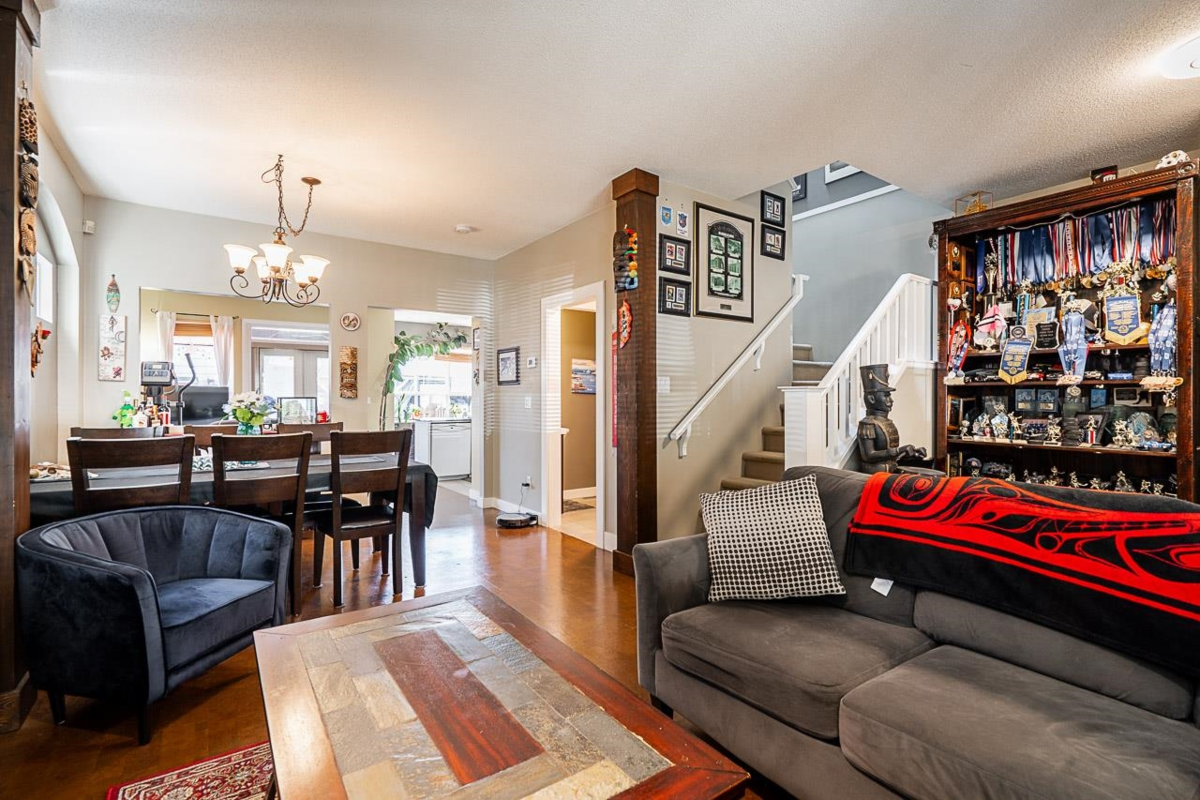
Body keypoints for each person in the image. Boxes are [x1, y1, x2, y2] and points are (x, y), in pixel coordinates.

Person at [857, 364, 928, 474]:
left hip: (890, 471)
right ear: (871, 399)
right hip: (877, 474)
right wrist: (898, 451)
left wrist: (912, 453)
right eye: (886, 396)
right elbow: (868, 455)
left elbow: (891, 457)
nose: (891, 400)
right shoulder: (868, 424)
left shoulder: (885, 422)